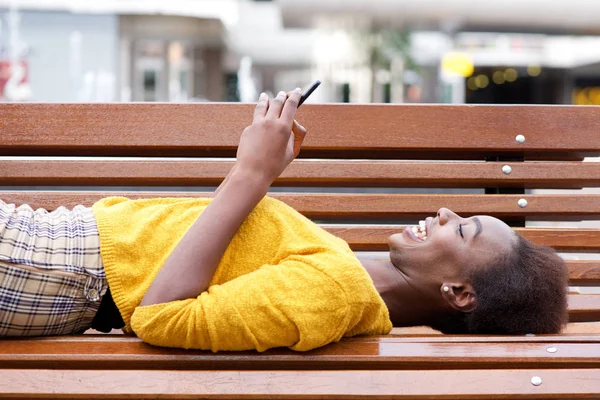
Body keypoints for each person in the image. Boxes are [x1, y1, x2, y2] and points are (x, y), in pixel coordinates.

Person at [0, 89, 568, 351]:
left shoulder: (336, 292)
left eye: (463, 228)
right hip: (53, 252)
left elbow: (162, 317)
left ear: (459, 293)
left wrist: (252, 175)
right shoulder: (345, 272)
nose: (447, 212)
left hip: (57, 272)